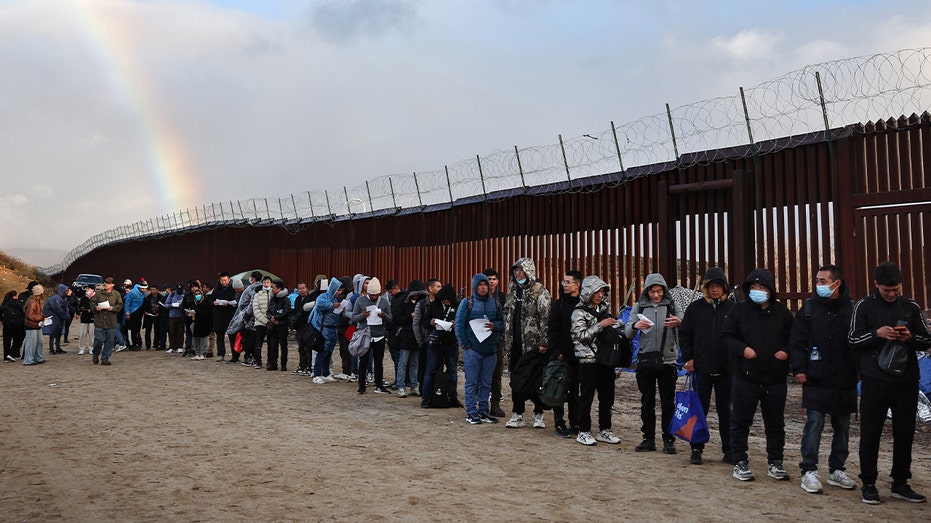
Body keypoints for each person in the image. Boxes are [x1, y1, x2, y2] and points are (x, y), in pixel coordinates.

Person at [849, 261, 931, 504]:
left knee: (905, 434)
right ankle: (869, 483)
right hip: (875, 381)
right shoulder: (863, 306)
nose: (893, 294)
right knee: (870, 433)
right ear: (876, 285)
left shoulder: (911, 306)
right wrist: (877, 334)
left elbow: (925, 340)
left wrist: (909, 337)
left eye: (896, 289)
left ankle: (901, 482)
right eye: (888, 290)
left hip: (906, 380)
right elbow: (852, 339)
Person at [789, 264, 858, 494]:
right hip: (816, 377)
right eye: (817, 281)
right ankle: (808, 470)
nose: (818, 285)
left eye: (822, 281)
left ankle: (837, 469)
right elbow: (797, 341)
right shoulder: (808, 309)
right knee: (814, 424)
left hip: (844, 379)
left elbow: (859, 344)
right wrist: (798, 368)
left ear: (836, 283)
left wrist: (857, 372)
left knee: (843, 427)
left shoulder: (853, 309)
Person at [721, 268, 794, 482]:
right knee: (740, 420)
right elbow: (726, 336)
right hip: (745, 376)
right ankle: (740, 461)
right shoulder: (739, 311)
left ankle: (775, 462)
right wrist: (742, 349)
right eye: (754, 287)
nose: (758, 291)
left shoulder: (782, 313)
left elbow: (795, 338)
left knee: (775, 422)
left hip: (775, 378)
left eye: (762, 287)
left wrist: (786, 352)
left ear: (770, 290)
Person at [680, 267, 735, 465]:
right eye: (711, 286)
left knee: (725, 410)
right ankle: (696, 448)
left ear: (725, 288)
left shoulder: (733, 309)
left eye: (719, 286)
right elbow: (685, 334)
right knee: (699, 410)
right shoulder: (695, 309)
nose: (715, 290)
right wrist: (689, 358)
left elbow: (739, 337)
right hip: (700, 368)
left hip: (726, 369)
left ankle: (729, 450)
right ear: (705, 288)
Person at [626, 273, 682, 454]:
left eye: (659, 291)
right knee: (647, 401)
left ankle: (668, 439)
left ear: (664, 290)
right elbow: (628, 332)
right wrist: (635, 326)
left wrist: (679, 322)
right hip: (646, 360)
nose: (656, 295)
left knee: (668, 402)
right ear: (647, 291)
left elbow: (688, 327)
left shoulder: (673, 306)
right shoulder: (639, 306)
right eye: (652, 291)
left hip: (668, 361)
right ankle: (648, 438)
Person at [570, 275, 622, 446]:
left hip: (605, 359)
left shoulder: (604, 309)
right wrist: (602, 325)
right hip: (587, 360)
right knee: (586, 397)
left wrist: (615, 326)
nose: (600, 295)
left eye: (602, 291)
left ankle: (605, 429)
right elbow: (581, 336)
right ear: (588, 292)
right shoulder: (578, 312)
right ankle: (583, 431)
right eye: (597, 291)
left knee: (607, 397)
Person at [503, 258, 551, 429]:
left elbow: (545, 318)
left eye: (521, 270)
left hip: (533, 346)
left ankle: (538, 414)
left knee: (534, 380)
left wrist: (544, 342)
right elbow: (507, 315)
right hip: (514, 344)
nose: (518, 273)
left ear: (529, 271)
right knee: (516, 380)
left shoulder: (539, 292)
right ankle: (517, 413)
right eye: (516, 270)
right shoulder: (512, 291)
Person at [456, 273, 504, 424]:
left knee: (486, 382)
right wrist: (466, 346)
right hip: (473, 350)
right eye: (480, 285)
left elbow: (503, 323)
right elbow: (459, 325)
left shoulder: (495, 303)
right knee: (472, 382)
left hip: (491, 350)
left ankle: (484, 410)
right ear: (475, 286)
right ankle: (471, 412)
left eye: (485, 285)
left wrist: (494, 326)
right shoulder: (467, 303)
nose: (483, 287)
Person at [547, 270, 583, 437]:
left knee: (575, 390)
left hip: (580, 355)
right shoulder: (558, 304)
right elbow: (552, 330)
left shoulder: (583, 304)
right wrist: (556, 352)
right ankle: (559, 423)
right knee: (559, 388)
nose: (564, 285)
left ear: (577, 284)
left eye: (567, 282)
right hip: (562, 354)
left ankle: (575, 422)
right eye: (563, 282)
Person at [420, 283, 460, 406]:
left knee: (452, 371)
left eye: (449, 299)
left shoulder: (458, 307)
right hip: (435, 343)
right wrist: (431, 322)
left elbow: (463, 323)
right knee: (430, 370)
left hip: (451, 343)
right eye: (444, 299)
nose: (447, 301)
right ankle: (426, 399)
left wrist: (455, 324)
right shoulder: (434, 305)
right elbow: (425, 322)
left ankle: (453, 398)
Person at [352, 277, 392, 393]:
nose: (374, 297)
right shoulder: (360, 301)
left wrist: (384, 316)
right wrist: (362, 316)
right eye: (371, 295)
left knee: (379, 362)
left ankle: (379, 385)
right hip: (366, 335)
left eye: (376, 295)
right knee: (363, 361)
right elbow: (354, 316)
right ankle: (361, 386)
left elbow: (391, 318)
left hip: (379, 335)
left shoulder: (384, 301)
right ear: (368, 292)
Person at [309, 278, 347, 383]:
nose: (339, 293)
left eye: (341, 291)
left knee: (328, 352)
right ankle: (317, 374)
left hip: (333, 329)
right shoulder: (323, 297)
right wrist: (332, 305)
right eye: (338, 290)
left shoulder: (335, 299)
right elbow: (320, 304)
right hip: (323, 329)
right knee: (322, 351)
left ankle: (326, 372)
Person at [392, 280, 426, 397]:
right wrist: (409, 316)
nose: (416, 295)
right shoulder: (402, 302)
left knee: (414, 363)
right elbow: (396, 319)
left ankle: (414, 385)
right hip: (405, 335)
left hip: (417, 336)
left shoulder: (422, 302)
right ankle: (401, 387)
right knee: (403, 362)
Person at [484, 268, 508, 417]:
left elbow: (506, 319)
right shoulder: (477, 297)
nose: (491, 282)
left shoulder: (502, 297)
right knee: (482, 374)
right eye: (488, 279)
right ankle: (481, 404)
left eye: (493, 279)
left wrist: (497, 327)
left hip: (497, 340)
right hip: (479, 340)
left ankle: (495, 404)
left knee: (497, 373)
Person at [91, 277, 123, 366]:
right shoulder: (98, 294)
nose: (106, 285)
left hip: (111, 321)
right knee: (98, 340)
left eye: (108, 283)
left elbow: (120, 305)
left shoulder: (116, 295)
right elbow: (92, 302)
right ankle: (95, 353)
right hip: (99, 321)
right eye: (105, 283)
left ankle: (105, 358)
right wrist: (95, 307)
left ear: (112, 285)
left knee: (110, 341)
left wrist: (113, 308)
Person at [210, 272, 238, 361]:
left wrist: (229, 303)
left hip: (230, 315)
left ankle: (235, 355)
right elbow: (210, 298)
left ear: (229, 279)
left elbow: (237, 301)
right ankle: (221, 354)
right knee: (220, 335)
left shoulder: (233, 289)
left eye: (225, 280)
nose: (223, 282)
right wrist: (213, 302)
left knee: (232, 336)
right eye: (222, 280)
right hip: (219, 315)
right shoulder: (217, 289)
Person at [265, 279, 291, 371]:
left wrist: (277, 318)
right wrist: (271, 318)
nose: (272, 289)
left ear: (279, 288)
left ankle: (283, 364)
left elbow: (286, 312)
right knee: (273, 345)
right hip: (273, 325)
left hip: (282, 325)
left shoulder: (286, 300)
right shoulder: (272, 299)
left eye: (274, 287)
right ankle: (273, 364)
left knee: (283, 346)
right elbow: (268, 311)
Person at [43, 283, 71, 354]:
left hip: (58, 316)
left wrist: (66, 315)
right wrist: (65, 316)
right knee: (53, 332)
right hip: (53, 316)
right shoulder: (56, 299)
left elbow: (65, 308)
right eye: (66, 290)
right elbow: (58, 309)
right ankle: (51, 349)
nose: (67, 292)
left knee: (59, 331)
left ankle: (58, 348)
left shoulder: (63, 298)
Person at [22, 285, 46, 366]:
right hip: (31, 325)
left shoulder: (36, 301)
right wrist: (41, 317)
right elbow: (30, 315)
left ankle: (37, 357)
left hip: (36, 325)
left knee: (40, 342)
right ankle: (28, 360)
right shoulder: (33, 302)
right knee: (31, 343)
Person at [2, 290, 26, 361]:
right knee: (18, 340)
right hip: (18, 325)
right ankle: (12, 354)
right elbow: (23, 311)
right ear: (15, 296)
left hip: (6, 325)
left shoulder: (4, 303)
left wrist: (3, 320)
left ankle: (6, 357)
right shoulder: (18, 303)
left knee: (6, 342)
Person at [123, 281, 146, 350]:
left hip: (139, 312)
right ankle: (131, 343)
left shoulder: (143, 293)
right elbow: (127, 303)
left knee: (137, 328)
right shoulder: (132, 292)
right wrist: (127, 313)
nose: (145, 290)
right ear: (141, 288)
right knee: (131, 328)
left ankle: (137, 342)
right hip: (132, 312)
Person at [190, 288, 212, 360]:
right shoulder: (194, 302)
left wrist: (198, 312)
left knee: (204, 338)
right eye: (196, 294)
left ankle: (203, 353)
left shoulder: (206, 302)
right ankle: (197, 353)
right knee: (196, 338)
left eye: (199, 294)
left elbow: (208, 313)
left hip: (204, 323)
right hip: (196, 322)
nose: (197, 295)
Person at [166, 284, 186, 353]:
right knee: (172, 332)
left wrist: (182, 305)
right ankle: (172, 346)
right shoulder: (172, 294)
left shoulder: (184, 294)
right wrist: (171, 305)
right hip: (172, 316)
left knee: (180, 332)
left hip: (181, 316)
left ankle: (179, 346)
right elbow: (166, 305)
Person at [77, 285, 96, 355]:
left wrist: (91, 309)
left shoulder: (95, 297)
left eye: (89, 289)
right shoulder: (83, 297)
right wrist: (82, 309)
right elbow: (79, 306)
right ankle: (81, 348)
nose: (87, 290)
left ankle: (91, 348)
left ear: (92, 290)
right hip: (84, 318)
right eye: (87, 289)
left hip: (92, 318)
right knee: (82, 334)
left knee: (92, 335)